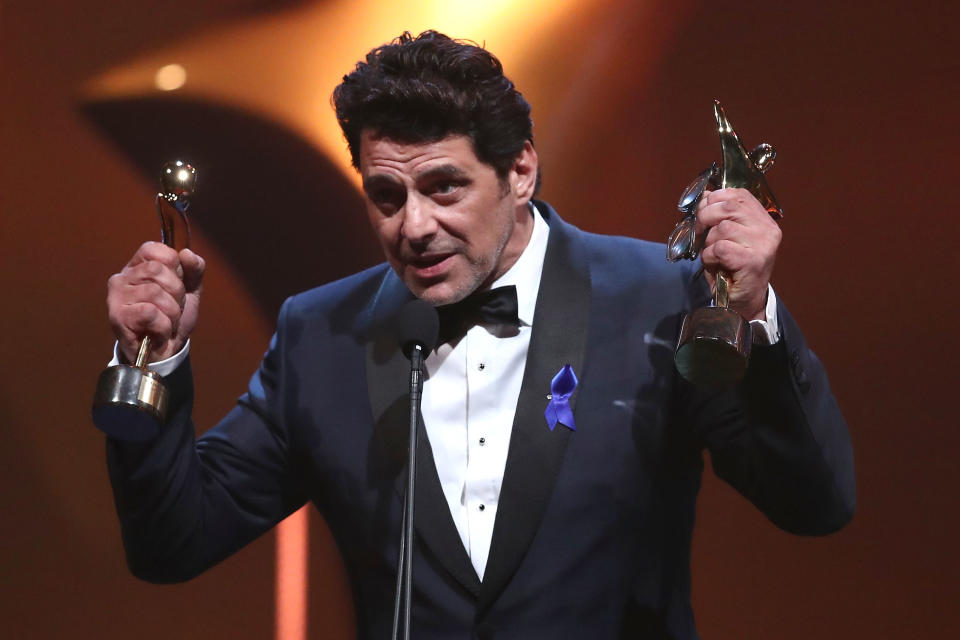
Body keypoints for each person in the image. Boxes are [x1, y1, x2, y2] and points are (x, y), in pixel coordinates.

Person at [103, 31, 855, 640]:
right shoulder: (320, 335)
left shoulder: (656, 297)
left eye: (444, 187)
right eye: (386, 195)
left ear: (521, 170)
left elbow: (813, 503)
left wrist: (754, 312)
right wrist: (152, 361)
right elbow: (174, 543)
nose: (414, 226)